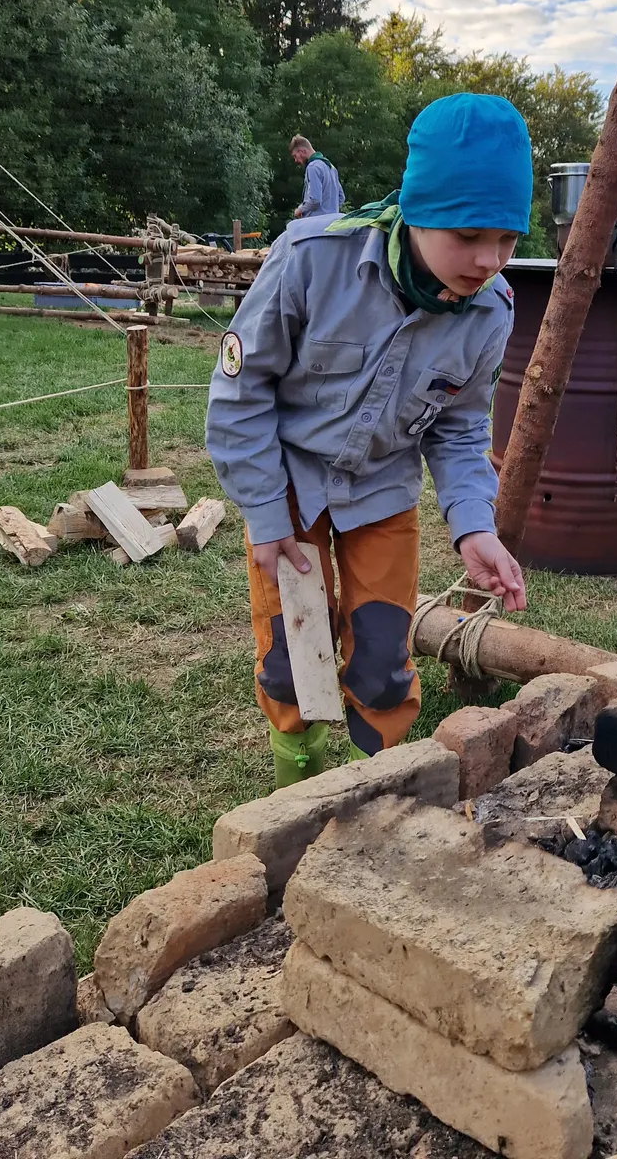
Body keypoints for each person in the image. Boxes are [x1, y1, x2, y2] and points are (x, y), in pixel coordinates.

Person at [207, 94, 530, 788]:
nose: (487, 260)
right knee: (295, 651)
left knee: (382, 656)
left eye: (507, 239)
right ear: (417, 208)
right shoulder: (310, 259)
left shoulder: (491, 312)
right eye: (468, 234)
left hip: (381, 491)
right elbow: (239, 393)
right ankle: (296, 787)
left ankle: (369, 790)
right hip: (287, 485)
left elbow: (460, 426)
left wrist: (474, 526)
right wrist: (264, 519)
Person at [289, 135, 345, 218]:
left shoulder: (313, 167)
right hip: (332, 223)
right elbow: (341, 198)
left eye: (295, 156)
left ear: (302, 151)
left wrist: (300, 209)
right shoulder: (331, 167)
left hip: (315, 224)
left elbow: (315, 200)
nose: (296, 160)